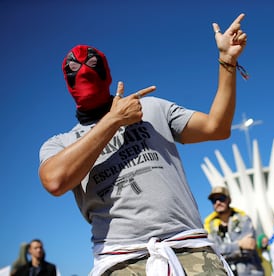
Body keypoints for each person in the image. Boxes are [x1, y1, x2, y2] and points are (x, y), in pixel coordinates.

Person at [38, 13, 248, 275]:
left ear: (107, 74)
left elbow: (217, 127)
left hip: (191, 251)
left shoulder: (151, 108)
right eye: (74, 70)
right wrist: (113, 120)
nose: (82, 69)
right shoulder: (60, 144)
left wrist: (227, 62)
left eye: (91, 64)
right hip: (121, 261)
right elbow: (55, 181)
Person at [204, 186, 264, 275]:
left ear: (229, 200)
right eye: (214, 200)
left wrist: (222, 250)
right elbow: (212, 253)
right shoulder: (209, 226)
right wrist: (239, 245)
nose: (218, 202)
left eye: (221, 198)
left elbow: (249, 248)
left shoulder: (243, 219)